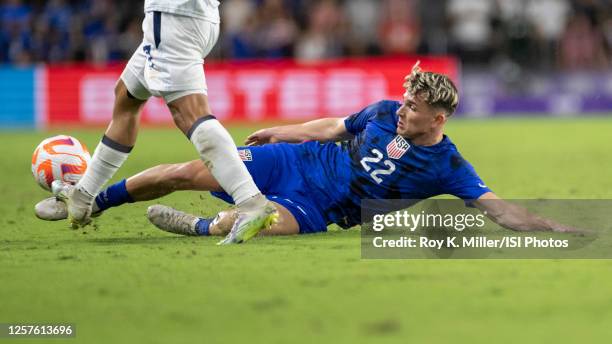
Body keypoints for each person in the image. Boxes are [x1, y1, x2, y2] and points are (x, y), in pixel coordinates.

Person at [38, 63, 578, 237]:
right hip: (296, 162)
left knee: (252, 226)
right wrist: (279, 132)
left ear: (438, 119)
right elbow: (333, 127)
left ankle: (201, 226)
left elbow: (496, 206)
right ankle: (92, 201)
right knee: (183, 170)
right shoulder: (386, 109)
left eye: (414, 108)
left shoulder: (448, 165)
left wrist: (554, 228)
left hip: (324, 208)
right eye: (405, 100)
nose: (403, 109)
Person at [51, 0, 277, 245]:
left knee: (190, 113)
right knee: (127, 97)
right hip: (178, 18)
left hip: (174, 17)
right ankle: (83, 196)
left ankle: (251, 202)